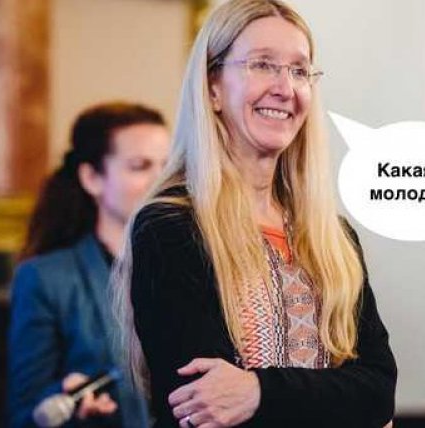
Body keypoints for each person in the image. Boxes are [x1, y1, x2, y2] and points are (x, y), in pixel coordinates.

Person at [113, 1, 397, 427]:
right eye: (263, 65)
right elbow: (206, 405)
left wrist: (257, 391)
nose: (285, 88)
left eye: (300, 70)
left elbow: (379, 392)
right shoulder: (171, 226)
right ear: (213, 88)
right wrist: (342, 399)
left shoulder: (335, 238)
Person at [9, 102, 170, 427]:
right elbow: (25, 415)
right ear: (92, 178)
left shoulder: (189, 264)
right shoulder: (45, 278)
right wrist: (64, 402)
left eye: (168, 166)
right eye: (140, 166)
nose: (162, 180)